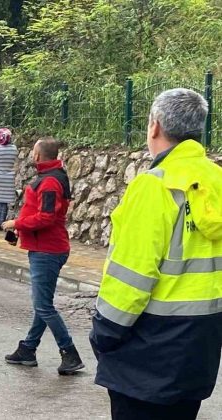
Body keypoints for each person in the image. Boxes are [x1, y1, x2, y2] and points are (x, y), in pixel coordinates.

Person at [89, 88, 222, 420]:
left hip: (148, 351)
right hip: (200, 347)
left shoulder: (155, 186)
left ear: (155, 126)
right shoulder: (216, 180)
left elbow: (131, 275)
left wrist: (104, 332)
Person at [1, 138, 85, 375]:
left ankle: (70, 353)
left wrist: (16, 222)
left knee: (43, 305)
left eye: (33, 151)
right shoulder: (54, 176)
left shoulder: (49, 182)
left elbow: (46, 217)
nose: (31, 154)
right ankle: (28, 349)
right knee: (43, 304)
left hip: (47, 250)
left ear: (38, 155)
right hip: (46, 247)